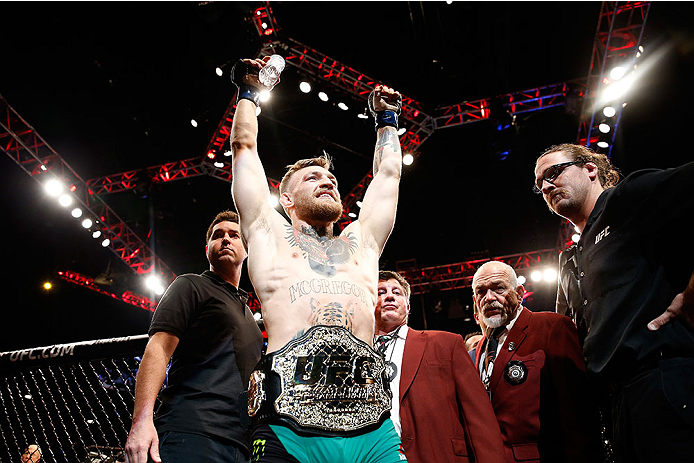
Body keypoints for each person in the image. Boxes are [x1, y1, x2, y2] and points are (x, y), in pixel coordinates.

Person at [230, 57, 406, 463]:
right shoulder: (267, 233)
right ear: (286, 199)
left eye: (331, 180)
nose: (327, 181)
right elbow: (244, 148)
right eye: (313, 178)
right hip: (288, 427)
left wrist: (388, 120)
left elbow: (389, 177)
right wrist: (250, 95)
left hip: (372, 430)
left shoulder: (362, 242)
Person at [534, 143, 694, 462]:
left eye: (553, 173)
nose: (546, 186)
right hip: (617, 404)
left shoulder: (627, 198)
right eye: (539, 184)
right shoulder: (571, 260)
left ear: (590, 169)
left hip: (664, 378)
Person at [124, 210, 263, 463]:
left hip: (241, 444)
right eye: (217, 235)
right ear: (207, 247)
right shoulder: (191, 285)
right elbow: (159, 348)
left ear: (247, 249)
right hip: (191, 431)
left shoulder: (249, 316)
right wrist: (142, 422)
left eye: (234, 235)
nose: (226, 239)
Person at [471, 260, 602, 463]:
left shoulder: (552, 327)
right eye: (481, 292)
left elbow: (578, 413)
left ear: (520, 293)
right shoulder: (480, 348)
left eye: (498, 289)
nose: (489, 298)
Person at [374, 270, 506, 463]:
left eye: (397, 292)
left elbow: (478, 414)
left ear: (408, 307)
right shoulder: (354, 353)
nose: (389, 296)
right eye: (380, 292)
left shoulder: (445, 343)